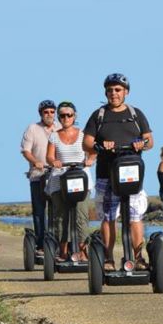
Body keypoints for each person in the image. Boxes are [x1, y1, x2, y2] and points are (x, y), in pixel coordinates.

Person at [83, 73, 154, 271]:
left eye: (118, 90)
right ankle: (108, 259)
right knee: (108, 216)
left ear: (126, 92)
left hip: (132, 173)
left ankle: (138, 259)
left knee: (135, 216)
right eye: (110, 90)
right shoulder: (99, 115)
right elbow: (86, 143)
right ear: (105, 92)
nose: (113, 93)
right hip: (107, 173)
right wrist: (100, 145)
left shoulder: (135, 114)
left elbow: (150, 140)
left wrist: (142, 144)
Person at [45, 101, 96, 262]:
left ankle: (83, 250)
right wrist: (54, 162)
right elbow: (49, 156)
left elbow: (93, 151)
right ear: (58, 117)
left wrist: (90, 160)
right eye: (62, 115)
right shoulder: (54, 135)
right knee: (61, 217)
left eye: (69, 115)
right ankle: (63, 251)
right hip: (60, 178)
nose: (66, 118)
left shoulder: (83, 134)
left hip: (80, 179)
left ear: (75, 116)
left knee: (81, 215)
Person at [21, 99, 57, 254]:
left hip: (56, 175)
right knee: (39, 211)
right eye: (46, 112)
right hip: (38, 175)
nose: (49, 114)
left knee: (57, 211)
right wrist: (35, 162)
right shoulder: (33, 129)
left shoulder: (61, 128)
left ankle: (57, 243)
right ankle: (41, 244)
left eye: (51, 111)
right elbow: (26, 150)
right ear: (41, 114)